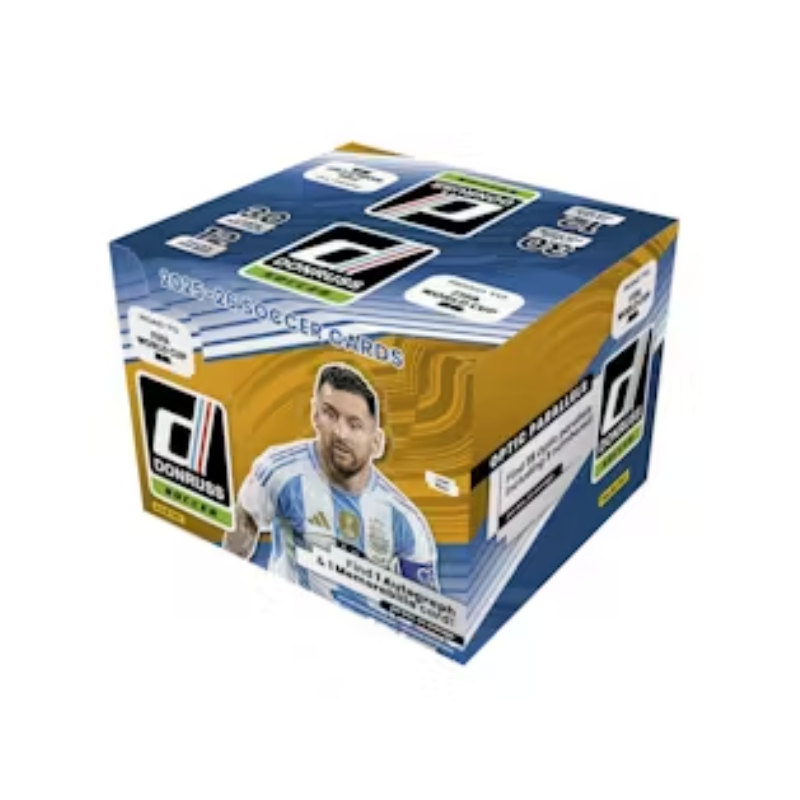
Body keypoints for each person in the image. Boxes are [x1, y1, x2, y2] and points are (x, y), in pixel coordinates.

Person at [222, 363, 440, 597]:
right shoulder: (278, 471)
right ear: (315, 415)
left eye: (354, 425)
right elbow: (242, 529)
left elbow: (424, 604)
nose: (340, 433)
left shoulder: (405, 519)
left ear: (377, 443)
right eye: (330, 415)